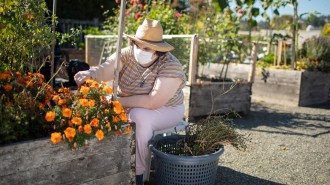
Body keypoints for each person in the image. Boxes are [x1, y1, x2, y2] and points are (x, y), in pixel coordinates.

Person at [74, 19, 186, 185]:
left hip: (167, 109)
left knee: (139, 116)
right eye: (137, 44)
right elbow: (106, 70)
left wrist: (116, 101)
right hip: (127, 105)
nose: (140, 50)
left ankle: (137, 174)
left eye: (146, 48)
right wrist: (91, 73)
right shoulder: (127, 54)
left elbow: (153, 102)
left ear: (158, 50)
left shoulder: (170, 65)